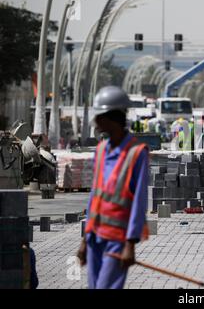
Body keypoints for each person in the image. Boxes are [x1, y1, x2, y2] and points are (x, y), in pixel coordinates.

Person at [76, 86, 149, 289]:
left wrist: (130, 245)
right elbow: (95, 198)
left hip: (117, 240)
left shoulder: (137, 153)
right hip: (95, 238)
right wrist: (84, 241)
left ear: (111, 117)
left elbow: (139, 202)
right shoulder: (100, 151)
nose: (95, 122)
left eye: (99, 116)